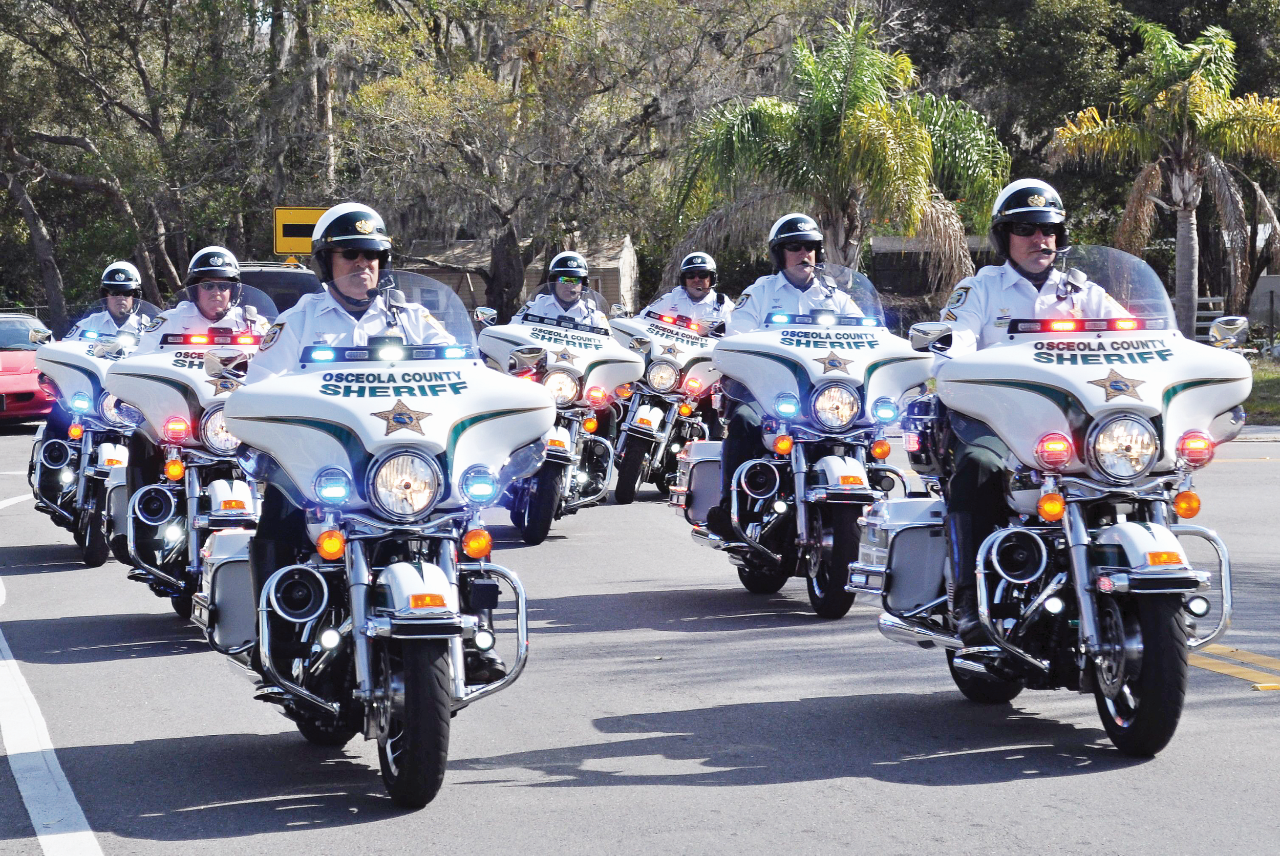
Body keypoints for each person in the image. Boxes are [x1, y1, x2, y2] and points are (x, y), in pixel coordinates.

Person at [938, 178, 1129, 646]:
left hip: (1074, 422)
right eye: (1025, 228)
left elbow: (1135, 340)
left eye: (1047, 229)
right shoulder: (980, 289)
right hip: (998, 421)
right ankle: (967, 597)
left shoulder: (1084, 292)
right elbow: (953, 342)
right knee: (979, 467)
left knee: (1142, 468)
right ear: (1005, 237)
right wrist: (949, 353)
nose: (1039, 239)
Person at [705, 213, 862, 540]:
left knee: (868, 431)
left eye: (810, 247)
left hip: (826, 399)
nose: (804, 254)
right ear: (779, 253)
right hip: (770, 396)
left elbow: (871, 333)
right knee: (744, 421)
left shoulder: (835, 297)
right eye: (794, 246)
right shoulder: (760, 293)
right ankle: (731, 509)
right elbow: (737, 335)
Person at [245, 202, 452, 383]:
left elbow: (459, 370)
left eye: (371, 254)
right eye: (350, 254)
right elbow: (258, 389)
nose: (362, 263)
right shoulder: (297, 323)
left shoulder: (413, 318)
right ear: (324, 264)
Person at [134, 247, 270, 354]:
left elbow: (272, 367)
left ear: (234, 291)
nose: (216, 292)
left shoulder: (255, 325)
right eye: (208, 286)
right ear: (194, 290)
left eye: (223, 286)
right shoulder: (170, 321)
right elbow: (139, 361)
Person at [516, 251, 609, 328]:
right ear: (553, 282)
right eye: (564, 279)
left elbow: (610, 345)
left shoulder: (593, 316)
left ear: (583, 284)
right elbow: (510, 333)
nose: (569, 285)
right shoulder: (534, 308)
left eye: (574, 280)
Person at [643, 252, 733, 330]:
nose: (696, 279)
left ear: (712, 278)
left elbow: (734, 336)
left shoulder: (723, 305)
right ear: (684, 279)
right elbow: (642, 319)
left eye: (703, 274)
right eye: (691, 275)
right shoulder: (672, 298)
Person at [67, 261, 152, 339]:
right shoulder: (88, 325)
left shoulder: (147, 330)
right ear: (105, 295)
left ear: (135, 296)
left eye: (127, 292)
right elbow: (66, 349)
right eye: (114, 292)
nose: (121, 297)